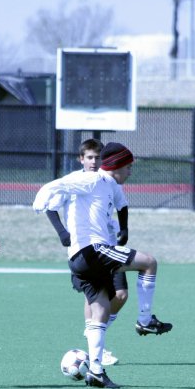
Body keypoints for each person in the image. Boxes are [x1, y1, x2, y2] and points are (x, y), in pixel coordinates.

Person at [34, 142, 172, 389]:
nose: (131, 172)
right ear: (117, 166)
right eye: (128, 167)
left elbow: (122, 205)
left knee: (101, 312)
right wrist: (40, 200)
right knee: (149, 263)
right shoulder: (93, 180)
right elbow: (55, 185)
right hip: (92, 251)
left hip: (81, 260)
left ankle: (96, 372)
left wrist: (125, 228)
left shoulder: (112, 185)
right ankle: (145, 319)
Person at [46, 138, 129, 367]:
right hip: (85, 248)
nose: (94, 162)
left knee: (121, 295)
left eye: (98, 157)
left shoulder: (107, 181)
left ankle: (93, 331)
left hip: (109, 245)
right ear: (81, 159)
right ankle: (97, 345)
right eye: (89, 157)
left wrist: (124, 228)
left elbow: (122, 205)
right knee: (94, 298)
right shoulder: (74, 182)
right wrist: (63, 233)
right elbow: (50, 206)